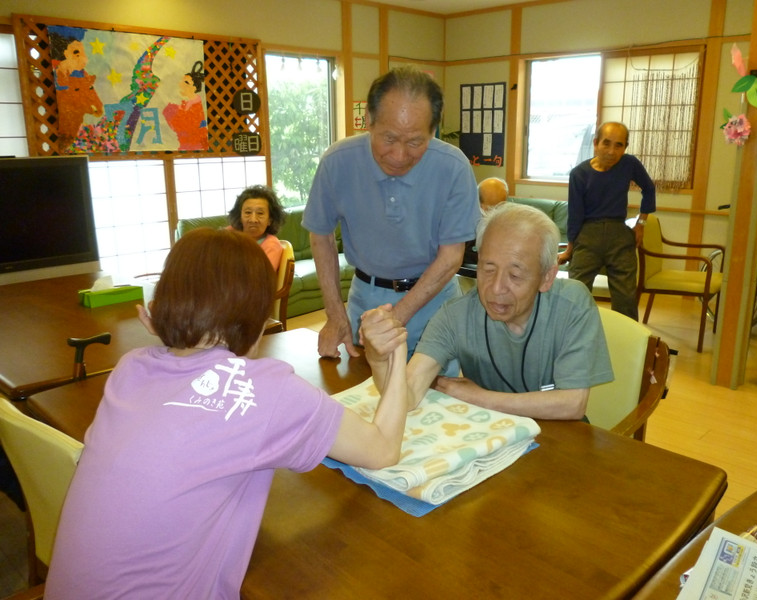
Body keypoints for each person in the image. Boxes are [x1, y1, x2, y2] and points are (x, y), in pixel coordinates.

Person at [44, 228, 408, 599]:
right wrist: (394, 355)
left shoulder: (130, 368)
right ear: (257, 310)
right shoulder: (262, 391)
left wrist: (176, 334)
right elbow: (381, 450)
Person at [366, 203, 613, 421]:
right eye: (488, 269)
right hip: (492, 435)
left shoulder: (572, 304)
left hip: (560, 440)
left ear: (547, 276)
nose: (496, 288)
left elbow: (572, 404)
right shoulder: (456, 315)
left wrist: (479, 397)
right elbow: (407, 397)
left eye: (515, 275)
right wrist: (378, 358)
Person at [303, 66, 481, 360]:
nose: (399, 156)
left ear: (433, 130)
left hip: (435, 301)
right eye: (388, 139)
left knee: (438, 397)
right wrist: (335, 314)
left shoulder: (453, 167)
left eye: (415, 142)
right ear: (369, 121)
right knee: (364, 395)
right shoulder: (338, 162)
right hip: (367, 301)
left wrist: (397, 317)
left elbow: (451, 257)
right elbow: (320, 236)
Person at [558, 121, 656, 321]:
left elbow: (649, 189)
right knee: (577, 291)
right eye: (606, 143)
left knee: (625, 296)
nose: (612, 151)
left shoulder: (629, 164)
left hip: (619, 235)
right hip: (587, 235)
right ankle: (574, 336)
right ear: (595, 143)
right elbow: (575, 215)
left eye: (619, 145)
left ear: (625, 147)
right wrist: (570, 249)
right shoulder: (579, 174)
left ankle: (626, 341)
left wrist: (641, 223)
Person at [227, 184, 287, 272]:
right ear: (240, 216)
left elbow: (260, 278)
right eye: (248, 212)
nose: (253, 219)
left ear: (270, 220)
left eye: (260, 213)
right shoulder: (229, 234)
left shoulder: (272, 245)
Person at [462, 176, 509, 270]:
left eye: (499, 205)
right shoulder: (463, 225)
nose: (494, 211)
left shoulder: (511, 227)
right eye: (490, 207)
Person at [163, 61, 209, 151]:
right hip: (184, 144)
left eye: (186, 83)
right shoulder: (184, 103)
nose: (181, 85)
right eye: (182, 81)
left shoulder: (197, 107)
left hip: (193, 145)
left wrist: (171, 112)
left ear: (195, 88)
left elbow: (183, 127)